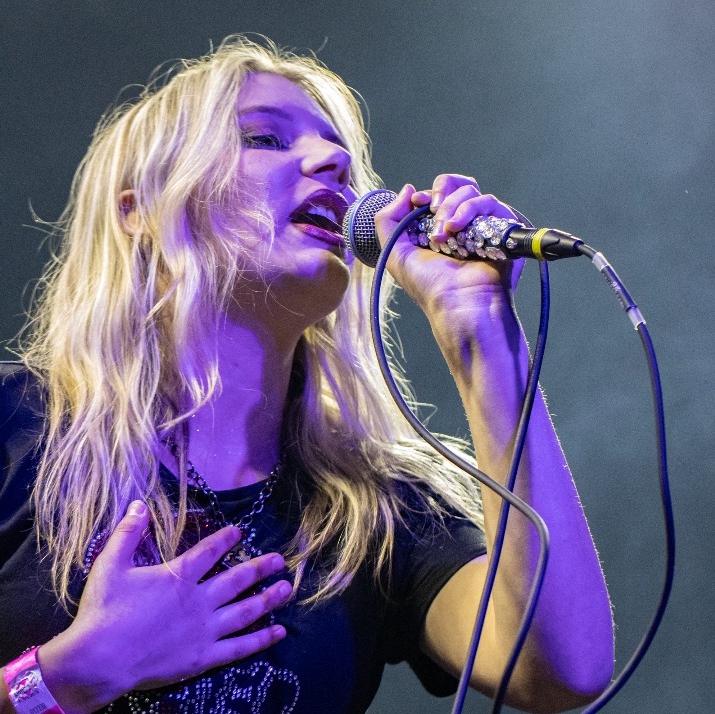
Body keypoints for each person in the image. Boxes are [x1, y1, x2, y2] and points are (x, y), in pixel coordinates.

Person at [0, 36, 614, 714]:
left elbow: (563, 671)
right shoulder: (14, 423)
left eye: (338, 150)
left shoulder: (373, 508)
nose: (333, 161)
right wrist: (61, 679)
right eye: (264, 138)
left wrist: (481, 330)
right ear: (139, 208)